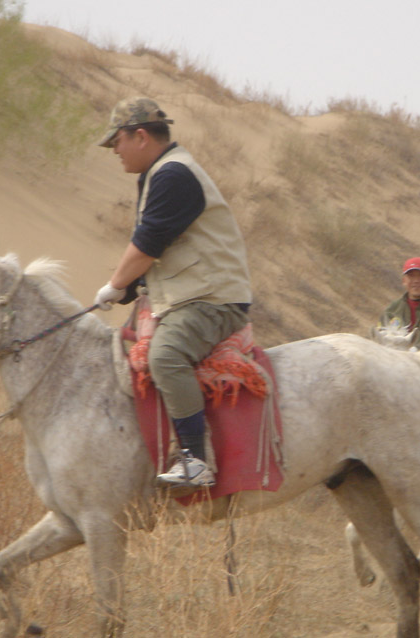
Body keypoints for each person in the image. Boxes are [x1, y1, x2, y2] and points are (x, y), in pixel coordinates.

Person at [93, 96, 252, 491]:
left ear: (141, 136)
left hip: (211, 299)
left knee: (165, 357)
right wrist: (127, 288)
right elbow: (157, 249)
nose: (115, 151)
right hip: (186, 295)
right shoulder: (163, 173)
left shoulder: (173, 175)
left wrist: (114, 286)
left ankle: (196, 461)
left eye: (117, 142)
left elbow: (148, 245)